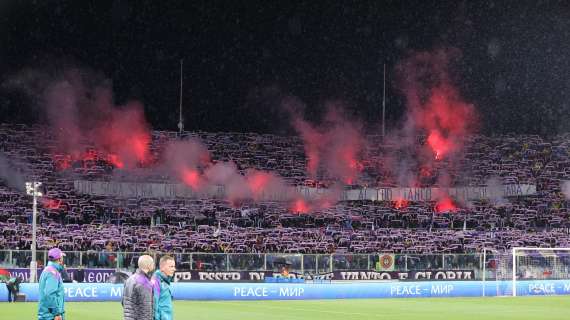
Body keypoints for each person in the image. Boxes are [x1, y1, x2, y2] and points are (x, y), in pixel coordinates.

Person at [122, 255, 155, 320]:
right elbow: (146, 309)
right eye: (153, 263)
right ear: (148, 265)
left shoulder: (129, 279)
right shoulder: (144, 282)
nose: (154, 265)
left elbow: (123, 302)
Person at [38, 248, 66, 320]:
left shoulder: (48, 270)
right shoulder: (52, 272)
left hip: (47, 315)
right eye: (62, 257)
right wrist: (56, 313)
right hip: (51, 316)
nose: (63, 260)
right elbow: (50, 294)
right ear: (59, 259)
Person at [152, 255, 176, 320]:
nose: (174, 269)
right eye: (171, 266)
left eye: (174, 266)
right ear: (162, 268)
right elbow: (154, 304)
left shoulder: (165, 281)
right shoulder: (156, 281)